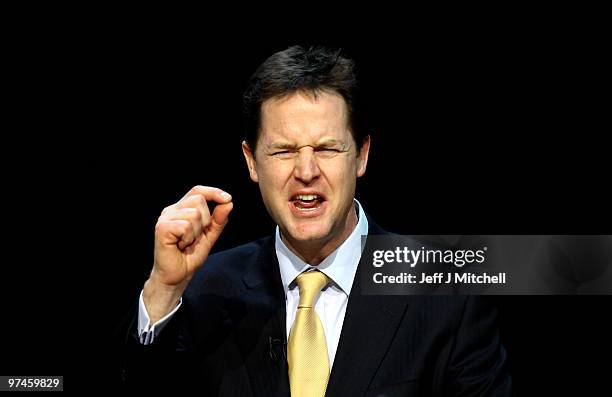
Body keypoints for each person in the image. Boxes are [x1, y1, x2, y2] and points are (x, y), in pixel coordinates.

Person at [121, 45, 511, 396]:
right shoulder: (206, 289)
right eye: (283, 151)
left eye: (326, 148)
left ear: (360, 155)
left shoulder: (445, 293)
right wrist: (163, 290)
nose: (306, 171)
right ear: (251, 161)